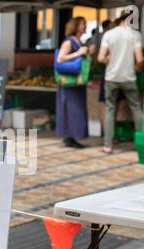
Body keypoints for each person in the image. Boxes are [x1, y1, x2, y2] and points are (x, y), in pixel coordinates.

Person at [98, 10, 144, 154]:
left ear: (121, 18)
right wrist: (137, 68)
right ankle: (141, 144)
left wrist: (109, 60)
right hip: (129, 77)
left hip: (111, 77)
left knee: (110, 110)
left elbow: (100, 58)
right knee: (136, 109)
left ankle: (108, 145)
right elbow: (140, 59)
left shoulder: (109, 34)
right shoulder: (135, 35)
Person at [56, 16, 89, 149]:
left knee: (76, 109)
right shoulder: (69, 42)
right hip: (70, 82)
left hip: (76, 83)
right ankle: (69, 137)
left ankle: (71, 136)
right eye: (83, 24)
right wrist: (78, 53)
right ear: (76, 27)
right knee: (71, 109)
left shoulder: (78, 41)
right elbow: (60, 58)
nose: (85, 26)